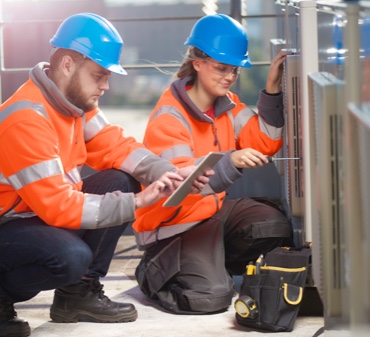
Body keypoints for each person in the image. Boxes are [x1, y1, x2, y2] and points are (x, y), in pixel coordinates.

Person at [0, 13, 212, 337]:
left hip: (33, 215)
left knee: (120, 178)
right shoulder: (26, 118)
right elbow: (58, 206)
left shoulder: (72, 104)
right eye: (99, 75)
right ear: (68, 64)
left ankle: (77, 295)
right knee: (70, 256)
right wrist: (138, 201)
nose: (106, 86)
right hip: (9, 225)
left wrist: (167, 173)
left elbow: (116, 146)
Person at [133, 14, 294, 315]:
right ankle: (153, 271)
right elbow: (182, 191)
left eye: (234, 70)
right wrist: (230, 162)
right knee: (209, 298)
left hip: (212, 212)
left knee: (276, 227)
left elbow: (265, 142)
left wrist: (272, 89)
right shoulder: (169, 119)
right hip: (175, 226)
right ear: (198, 62)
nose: (229, 76)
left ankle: (208, 262)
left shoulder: (227, 104)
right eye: (222, 68)